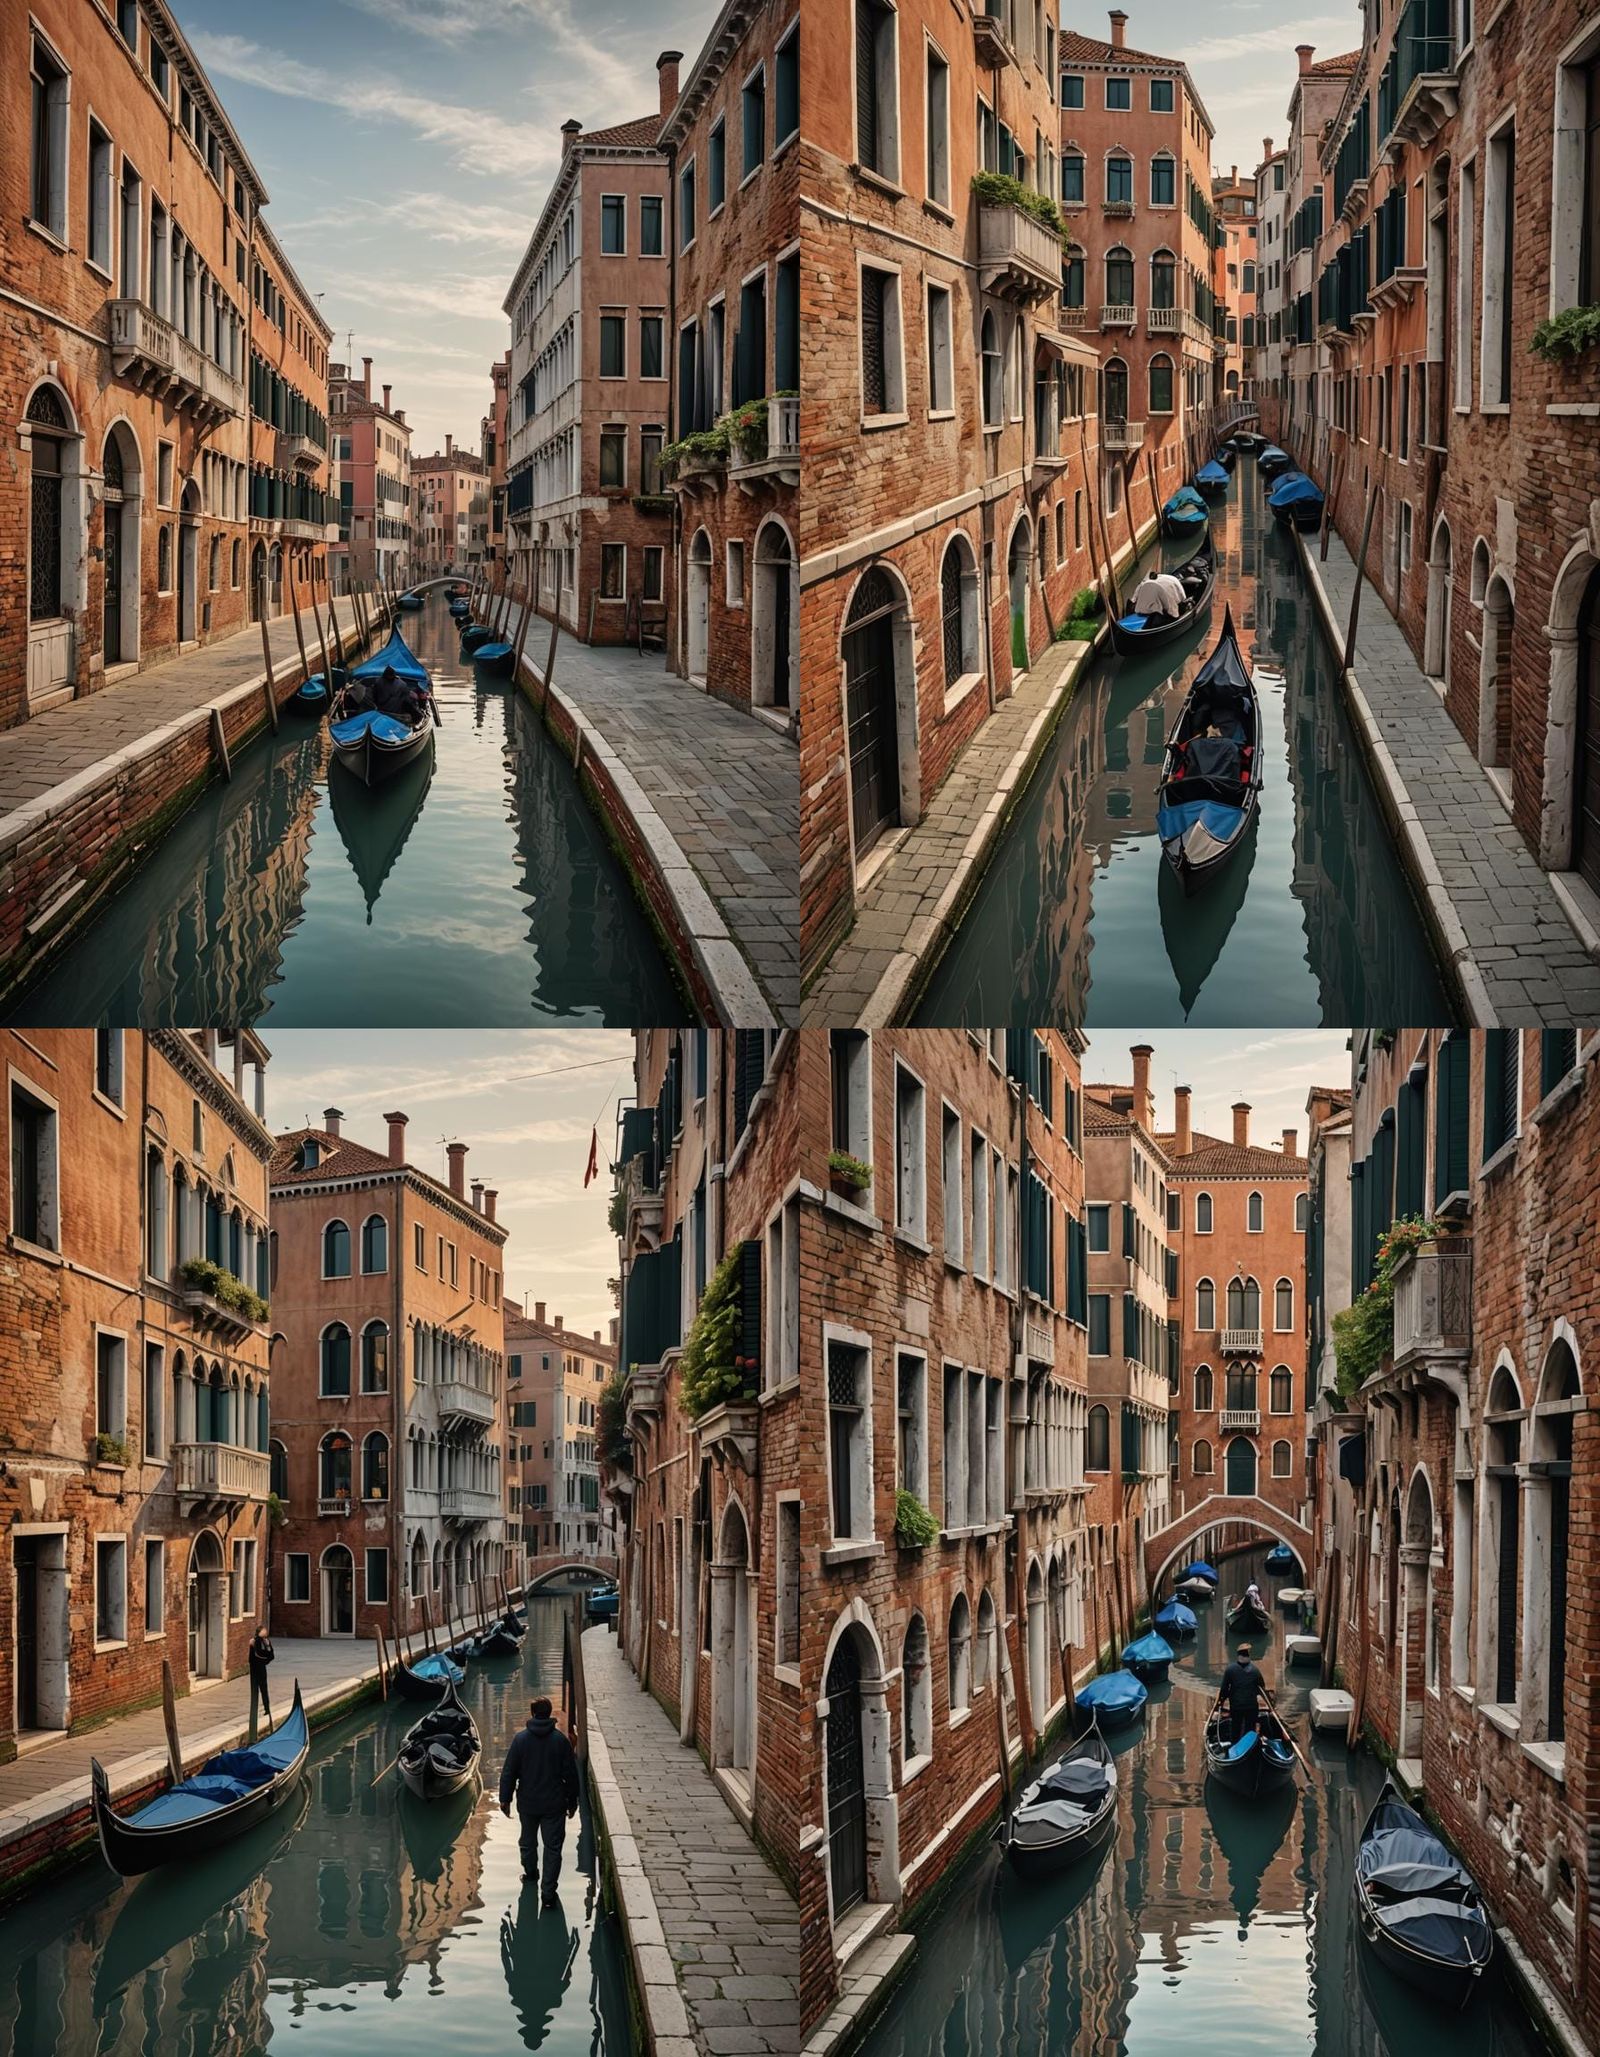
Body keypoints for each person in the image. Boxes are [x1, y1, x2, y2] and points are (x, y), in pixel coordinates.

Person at [499, 1697, 580, 1908]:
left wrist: (505, 1799)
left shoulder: (520, 1740)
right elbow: (571, 1775)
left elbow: (509, 1772)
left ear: (533, 1713)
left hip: (528, 1803)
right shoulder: (561, 1741)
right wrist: (573, 1802)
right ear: (550, 1713)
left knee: (527, 1842)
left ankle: (531, 1874)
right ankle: (548, 1894)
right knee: (553, 1848)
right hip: (554, 1804)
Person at [1216, 1642, 1265, 1741]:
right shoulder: (1255, 1670)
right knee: (1250, 1730)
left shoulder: (1230, 1669)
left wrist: (1220, 1702)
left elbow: (1224, 1689)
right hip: (1251, 1706)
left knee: (1236, 1729)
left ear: (1238, 1655)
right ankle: (1249, 1749)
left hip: (1236, 1706)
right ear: (1249, 1655)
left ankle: (1235, 1747)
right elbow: (1262, 1687)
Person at [248, 1625, 274, 1729]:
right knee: (257, 1689)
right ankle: (259, 1709)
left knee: (263, 1688)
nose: (266, 1632)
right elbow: (258, 1654)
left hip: (261, 1667)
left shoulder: (266, 1641)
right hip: (255, 1668)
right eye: (264, 1631)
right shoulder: (255, 1641)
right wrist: (267, 1656)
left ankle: (266, 1708)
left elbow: (271, 1655)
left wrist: (267, 1653)